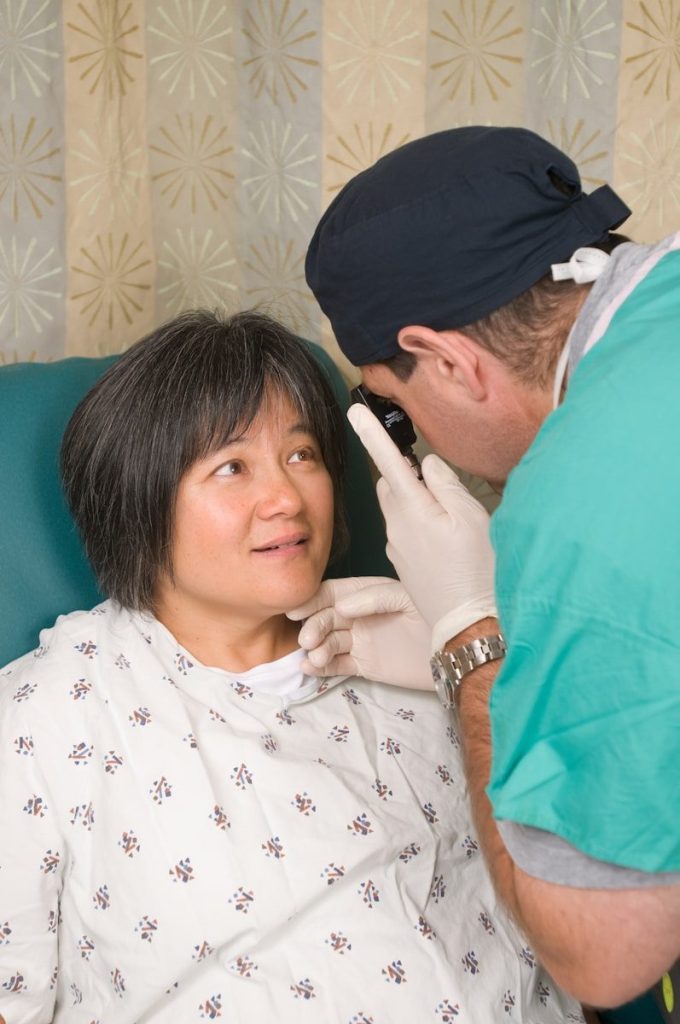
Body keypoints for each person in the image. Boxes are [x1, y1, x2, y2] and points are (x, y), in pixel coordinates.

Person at [0, 309, 585, 1023]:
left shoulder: (433, 654)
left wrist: (488, 648)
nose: (286, 498)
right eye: (232, 467)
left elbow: (596, 887)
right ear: (139, 500)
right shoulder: (52, 717)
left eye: (303, 454)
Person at [289, 126, 680, 1013]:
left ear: (452, 362)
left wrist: (470, 635)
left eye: (398, 407)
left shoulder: (578, 505)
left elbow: (602, 958)